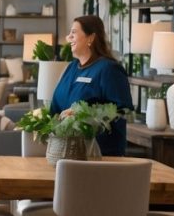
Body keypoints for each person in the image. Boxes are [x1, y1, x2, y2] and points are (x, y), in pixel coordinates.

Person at [49, 15, 132, 156]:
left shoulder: (109, 69)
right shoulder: (71, 68)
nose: (69, 37)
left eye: (74, 32)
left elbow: (123, 111)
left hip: (99, 155)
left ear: (91, 38)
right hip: (65, 152)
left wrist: (82, 114)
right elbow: (55, 109)